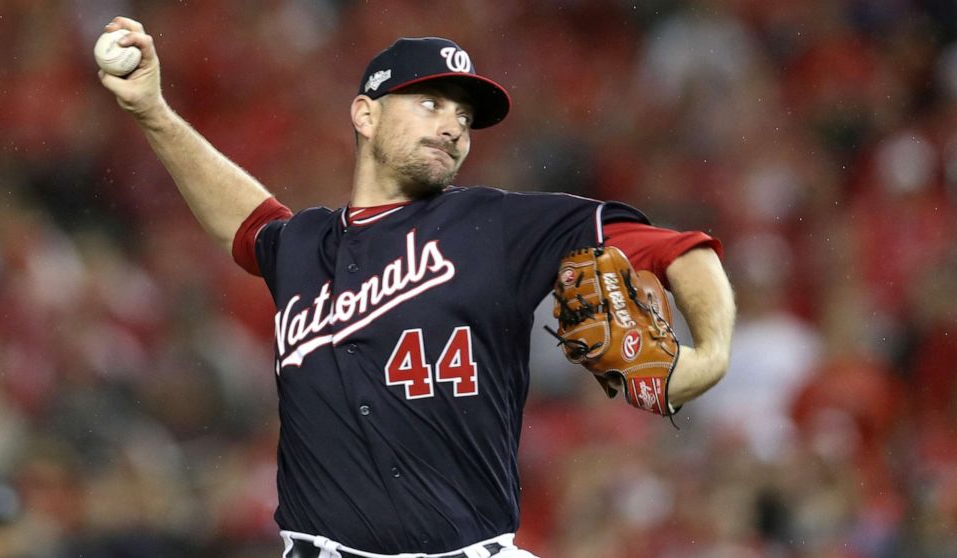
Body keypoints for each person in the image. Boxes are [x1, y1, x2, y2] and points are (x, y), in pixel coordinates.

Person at [98, 16, 735, 558]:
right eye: (430, 103)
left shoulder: (498, 224)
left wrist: (710, 354)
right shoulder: (302, 247)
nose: (454, 125)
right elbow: (250, 223)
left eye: (463, 115)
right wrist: (153, 113)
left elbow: (682, 251)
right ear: (365, 114)